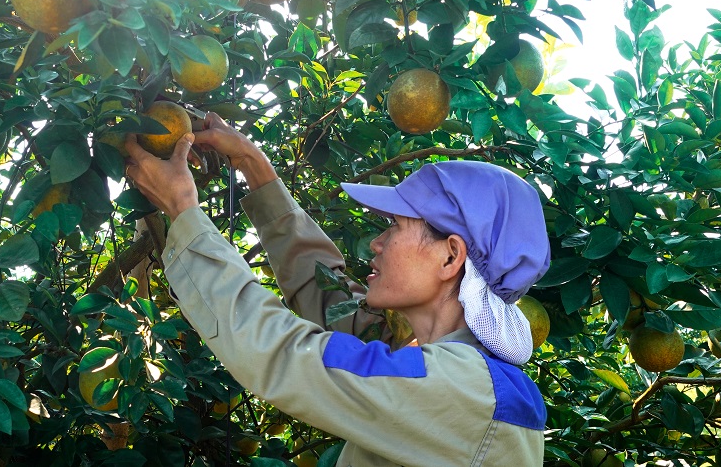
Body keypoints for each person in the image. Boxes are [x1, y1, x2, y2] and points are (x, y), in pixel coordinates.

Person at [123, 112, 551, 466]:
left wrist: (184, 210)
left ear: (450, 257)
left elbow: (288, 356)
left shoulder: (463, 391)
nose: (376, 243)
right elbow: (330, 300)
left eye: (395, 227)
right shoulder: (446, 370)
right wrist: (254, 166)